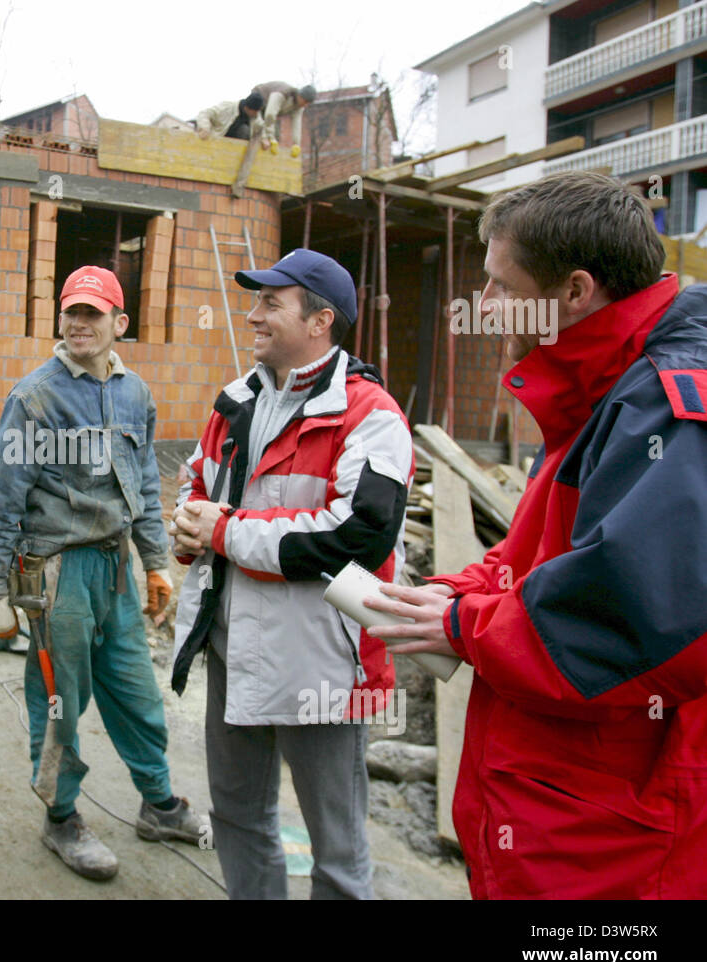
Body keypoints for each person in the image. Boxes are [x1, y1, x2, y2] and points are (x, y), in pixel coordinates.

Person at [366, 171, 707, 899]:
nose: (483, 306)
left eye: (500, 285)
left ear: (575, 292)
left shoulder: (670, 405)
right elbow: (539, 551)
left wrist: (467, 623)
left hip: (614, 844)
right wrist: (458, 592)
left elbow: (637, 611)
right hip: (564, 819)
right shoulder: (604, 379)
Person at [170, 248, 413, 900]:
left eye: (270, 303)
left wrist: (222, 530)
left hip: (323, 670)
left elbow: (355, 537)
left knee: (337, 849)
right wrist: (187, 525)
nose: (252, 315)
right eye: (254, 302)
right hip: (234, 653)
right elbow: (198, 482)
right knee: (238, 818)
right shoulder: (235, 401)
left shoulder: (375, 416)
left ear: (320, 320)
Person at [0, 265, 203, 881]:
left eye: (93, 314)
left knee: (135, 691)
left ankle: (158, 805)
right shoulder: (35, 397)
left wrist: (155, 562)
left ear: (118, 324)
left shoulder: (136, 395)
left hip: (115, 569)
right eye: (71, 311)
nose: (80, 323)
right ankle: (62, 818)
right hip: (56, 576)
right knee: (59, 701)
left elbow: (148, 488)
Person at [250, 81, 316, 153]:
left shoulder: (299, 107)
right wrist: (269, 137)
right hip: (257, 102)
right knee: (258, 126)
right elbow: (270, 114)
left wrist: (296, 144)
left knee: (277, 135)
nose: (305, 105)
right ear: (300, 96)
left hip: (267, 109)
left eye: (308, 103)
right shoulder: (283, 93)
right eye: (305, 101)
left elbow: (297, 125)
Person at [195, 92, 267, 143]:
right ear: (248, 108)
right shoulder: (227, 107)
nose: (257, 114)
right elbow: (204, 113)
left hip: (235, 150)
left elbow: (261, 127)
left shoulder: (254, 117)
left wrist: (264, 139)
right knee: (244, 130)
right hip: (216, 141)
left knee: (244, 130)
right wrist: (204, 128)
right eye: (256, 111)